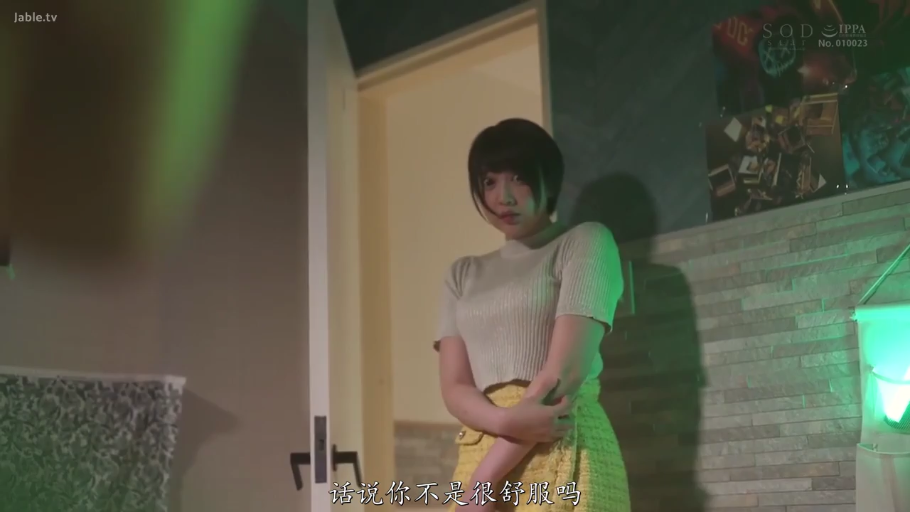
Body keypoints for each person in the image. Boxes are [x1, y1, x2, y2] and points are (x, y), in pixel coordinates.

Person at [434, 118, 631, 511]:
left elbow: (565, 375)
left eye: (519, 178)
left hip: (558, 437)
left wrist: (483, 481)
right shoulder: (462, 274)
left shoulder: (586, 241)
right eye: (489, 182)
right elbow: (454, 385)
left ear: (549, 181)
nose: (503, 197)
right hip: (483, 445)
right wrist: (504, 425)